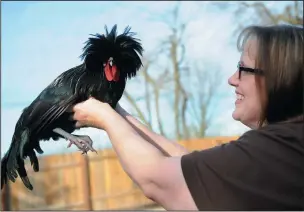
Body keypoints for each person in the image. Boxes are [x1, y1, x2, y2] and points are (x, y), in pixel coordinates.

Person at [71, 24, 303, 210]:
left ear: (277, 80)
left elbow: (158, 180)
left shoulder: (280, 148)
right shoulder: (288, 147)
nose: (232, 79)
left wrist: (104, 117)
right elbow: (194, 168)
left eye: (243, 69)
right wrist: (118, 113)